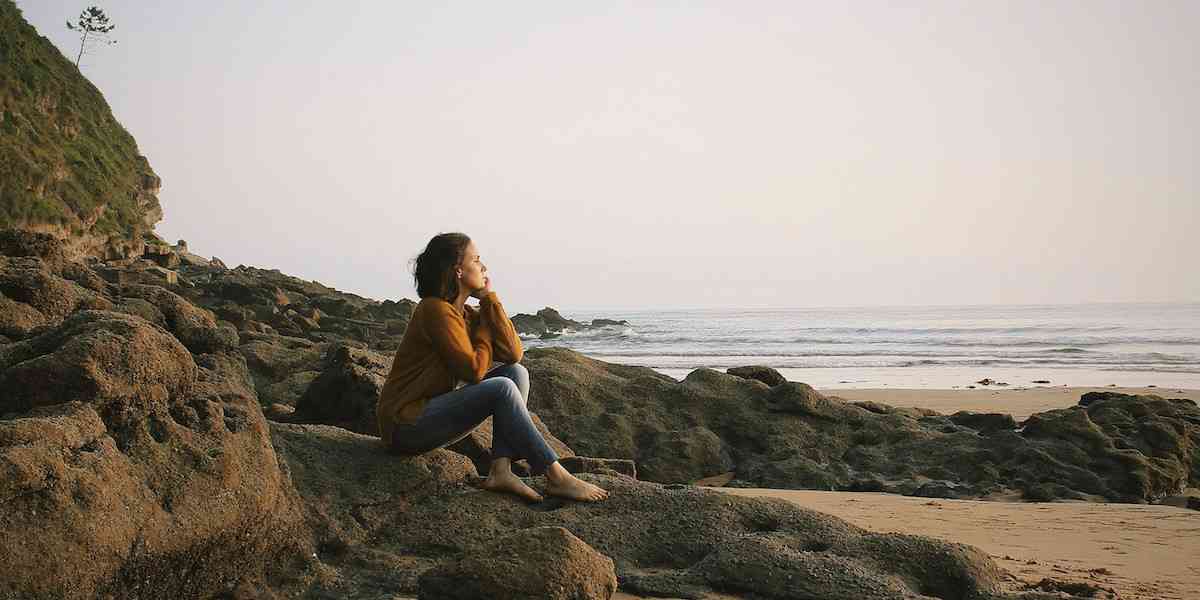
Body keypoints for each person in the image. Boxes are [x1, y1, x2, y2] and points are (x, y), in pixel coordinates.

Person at [377, 232, 609, 503]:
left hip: (430, 413)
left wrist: (488, 299)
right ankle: (556, 475)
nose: (484, 267)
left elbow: (514, 354)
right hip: (404, 425)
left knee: (516, 373)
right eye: (476, 260)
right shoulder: (433, 310)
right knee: (501, 387)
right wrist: (485, 328)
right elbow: (474, 371)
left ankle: (501, 469)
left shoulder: (465, 314)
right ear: (458, 271)